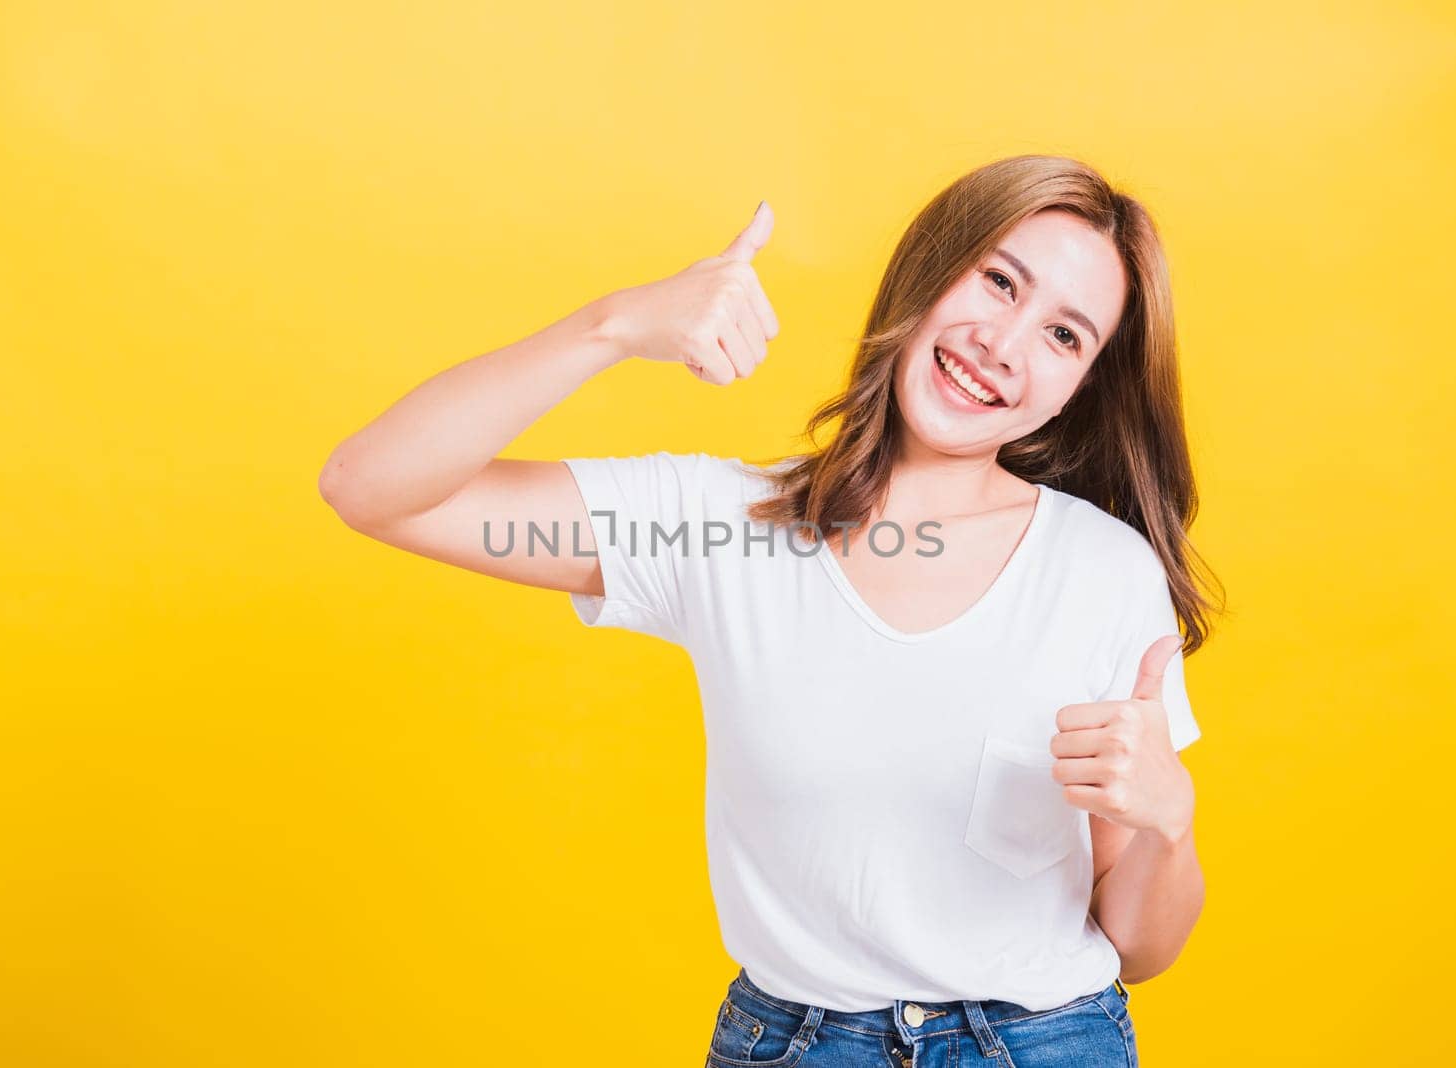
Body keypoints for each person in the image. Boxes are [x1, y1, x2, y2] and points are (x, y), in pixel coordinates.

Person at [318, 154, 1225, 1068]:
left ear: (1079, 388)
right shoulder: (716, 531)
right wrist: (616, 325)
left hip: (1047, 1042)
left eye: (1065, 336)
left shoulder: (1103, 573)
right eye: (998, 281)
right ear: (931, 269)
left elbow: (1141, 947)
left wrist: (1168, 820)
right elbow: (374, 488)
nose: (1005, 342)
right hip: (795, 1043)